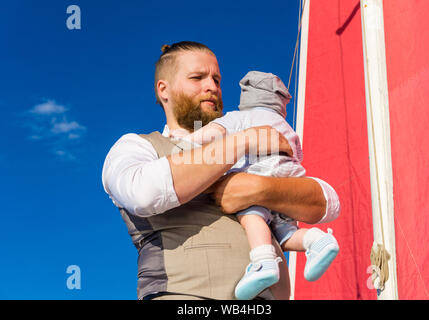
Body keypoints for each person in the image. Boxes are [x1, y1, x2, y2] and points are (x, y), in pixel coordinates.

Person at [101, 41, 341, 300]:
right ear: (164, 90)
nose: (212, 87)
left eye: (216, 79)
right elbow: (144, 193)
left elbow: (329, 202)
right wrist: (243, 141)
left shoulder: (250, 144)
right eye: (197, 78)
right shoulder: (136, 146)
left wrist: (260, 188)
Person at [184, 71, 340, 299]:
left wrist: (185, 142)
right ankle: (318, 240)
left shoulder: (240, 117)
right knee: (286, 234)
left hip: (259, 171)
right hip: (290, 177)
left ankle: (263, 262)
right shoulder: (287, 127)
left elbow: (211, 133)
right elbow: (297, 154)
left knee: (251, 214)